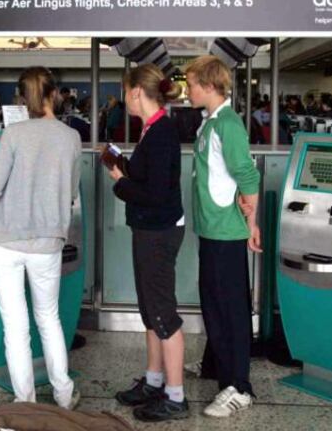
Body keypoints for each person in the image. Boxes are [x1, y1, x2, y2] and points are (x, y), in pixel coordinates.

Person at [0, 67, 81, 410]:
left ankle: (25, 403)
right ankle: (64, 395)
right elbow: (70, 192)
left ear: (22, 100)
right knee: (49, 319)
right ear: (54, 95)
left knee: (15, 327)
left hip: (5, 242)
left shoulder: (13, 134)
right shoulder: (71, 137)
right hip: (47, 242)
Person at [108, 64, 189, 422]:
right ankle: (155, 381)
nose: (124, 98)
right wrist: (125, 167)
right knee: (150, 311)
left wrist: (119, 182)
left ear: (137, 91)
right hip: (150, 228)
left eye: (125, 91)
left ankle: (176, 396)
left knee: (162, 314)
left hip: (159, 231)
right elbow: (152, 178)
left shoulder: (161, 133)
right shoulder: (152, 129)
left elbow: (155, 194)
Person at [184, 55, 261, 419]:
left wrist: (252, 222)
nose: (187, 91)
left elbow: (246, 173)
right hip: (211, 228)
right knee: (213, 301)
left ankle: (240, 388)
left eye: (191, 85)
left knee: (230, 309)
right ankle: (216, 366)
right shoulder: (210, 122)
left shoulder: (228, 124)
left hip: (226, 231)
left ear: (209, 85)